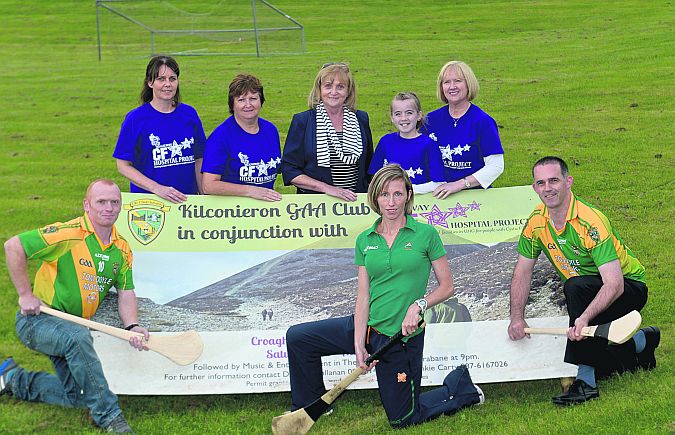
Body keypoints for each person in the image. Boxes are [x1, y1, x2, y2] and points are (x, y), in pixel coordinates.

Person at [285, 165, 483, 428]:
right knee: (299, 338)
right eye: (384, 195)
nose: (391, 202)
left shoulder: (425, 235)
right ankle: (309, 406)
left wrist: (419, 305)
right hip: (368, 327)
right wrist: (358, 343)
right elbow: (363, 295)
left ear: (408, 196)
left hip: (399, 338)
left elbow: (447, 287)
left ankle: (463, 388)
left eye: (398, 194)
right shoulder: (365, 239)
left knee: (403, 419)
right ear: (375, 197)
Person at [507, 156, 660, 406]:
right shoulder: (536, 222)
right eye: (541, 182)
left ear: (569, 182)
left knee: (575, 287)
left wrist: (585, 319)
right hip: (589, 289)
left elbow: (615, 284)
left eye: (554, 180)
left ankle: (586, 383)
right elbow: (522, 272)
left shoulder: (591, 221)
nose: (548, 188)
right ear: (534, 188)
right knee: (601, 358)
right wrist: (516, 317)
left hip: (630, 288)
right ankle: (641, 343)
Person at [1, 179, 150, 433]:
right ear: (86, 205)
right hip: (38, 321)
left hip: (72, 326)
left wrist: (132, 325)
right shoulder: (68, 233)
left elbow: (126, 291)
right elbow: (13, 245)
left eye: (114, 202)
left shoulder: (122, 248)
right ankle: (111, 417)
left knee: (81, 394)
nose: (108, 208)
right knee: (78, 338)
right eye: (101, 202)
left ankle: (13, 379)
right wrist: (25, 294)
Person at [113, 55, 207, 204]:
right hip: (150, 204)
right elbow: (123, 166)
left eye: (172, 78)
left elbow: (199, 159)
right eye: (161, 79)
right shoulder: (135, 119)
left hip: (187, 202)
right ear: (150, 82)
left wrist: (204, 197)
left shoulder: (189, 114)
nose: (167, 84)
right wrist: (157, 188)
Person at [280, 63, 374, 201]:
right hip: (317, 205)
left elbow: (369, 165)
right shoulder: (303, 121)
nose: (334, 92)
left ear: (348, 91)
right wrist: (326, 188)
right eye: (328, 86)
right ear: (319, 89)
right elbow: (289, 170)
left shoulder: (361, 118)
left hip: (356, 203)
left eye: (340, 87)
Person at [424, 61, 504, 199]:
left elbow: (496, 166)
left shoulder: (483, 121)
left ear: (468, 84)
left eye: (458, 81)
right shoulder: (430, 120)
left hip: (475, 196)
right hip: (437, 196)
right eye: (446, 82)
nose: (452, 87)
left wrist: (460, 184)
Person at [202, 74, 282, 202]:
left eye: (253, 98)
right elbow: (209, 185)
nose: (248, 104)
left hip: (266, 210)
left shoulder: (270, 130)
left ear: (261, 101)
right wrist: (251, 191)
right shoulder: (220, 136)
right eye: (241, 100)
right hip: (234, 211)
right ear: (232, 105)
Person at [368, 92, 446, 194]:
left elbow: (439, 183)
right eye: (398, 114)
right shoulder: (386, 142)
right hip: (390, 205)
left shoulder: (429, 145)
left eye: (409, 113)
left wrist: (407, 191)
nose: (404, 118)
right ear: (391, 117)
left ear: (419, 115)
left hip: (421, 205)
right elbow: (374, 178)